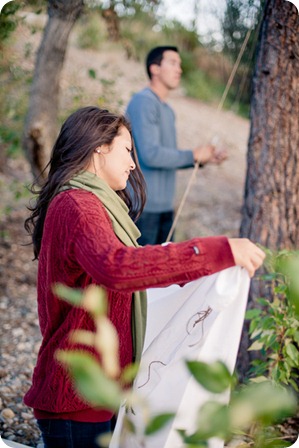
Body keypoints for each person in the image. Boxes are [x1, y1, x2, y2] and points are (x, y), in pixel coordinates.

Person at [23, 106, 265, 448]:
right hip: (75, 402)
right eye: (127, 150)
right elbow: (118, 267)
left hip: (93, 395)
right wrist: (216, 251)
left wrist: (191, 275)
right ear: (99, 148)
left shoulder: (91, 204)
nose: (133, 163)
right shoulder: (78, 205)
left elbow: (127, 269)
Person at [126, 45, 227, 245]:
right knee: (142, 274)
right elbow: (151, 154)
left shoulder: (168, 110)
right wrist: (193, 154)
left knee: (164, 274)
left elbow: (168, 156)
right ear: (154, 68)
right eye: (172, 63)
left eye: (179, 64)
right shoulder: (143, 102)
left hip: (164, 209)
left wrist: (204, 158)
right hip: (143, 210)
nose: (179, 69)